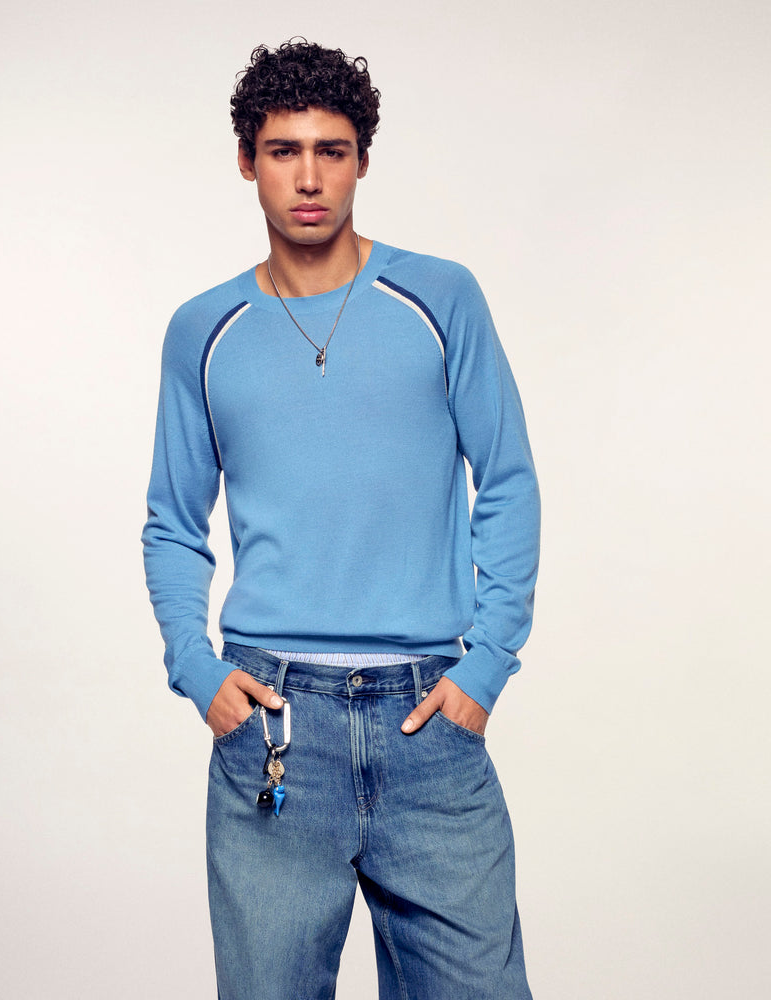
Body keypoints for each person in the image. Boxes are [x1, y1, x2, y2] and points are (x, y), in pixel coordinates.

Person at [142, 39, 540, 1000]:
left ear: (363, 159)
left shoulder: (440, 297)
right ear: (248, 161)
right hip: (274, 726)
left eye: (332, 150)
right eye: (285, 151)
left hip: (428, 722)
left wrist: (487, 665)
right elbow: (172, 522)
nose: (310, 178)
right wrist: (198, 671)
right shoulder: (204, 330)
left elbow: (508, 481)